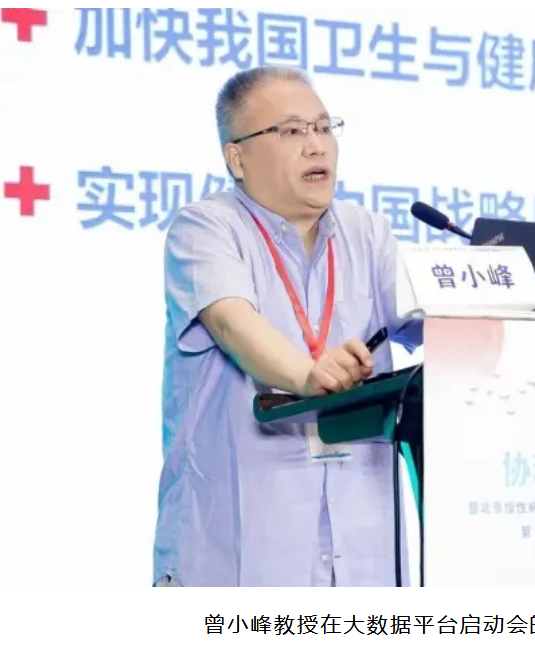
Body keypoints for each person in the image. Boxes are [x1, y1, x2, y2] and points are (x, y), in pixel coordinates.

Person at [152, 65, 422, 587]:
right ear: (237, 158)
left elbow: (426, 316)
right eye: (292, 131)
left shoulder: (368, 233)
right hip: (239, 555)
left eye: (323, 127)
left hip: (361, 554)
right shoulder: (206, 227)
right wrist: (306, 376)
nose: (316, 145)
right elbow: (231, 322)